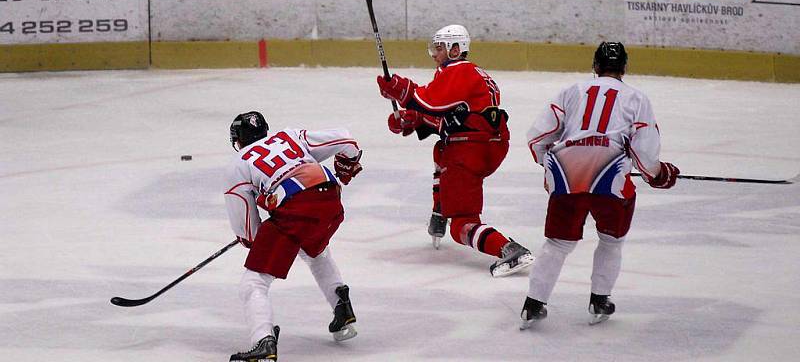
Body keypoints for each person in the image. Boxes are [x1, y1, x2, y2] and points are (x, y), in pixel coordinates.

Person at [519, 42, 679, 328]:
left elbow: (537, 138)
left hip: (567, 171)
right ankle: (600, 299)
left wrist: (550, 167)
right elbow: (644, 153)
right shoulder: (637, 98)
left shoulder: (571, 91)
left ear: (595, 66)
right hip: (611, 175)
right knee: (611, 240)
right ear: (624, 68)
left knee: (557, 243)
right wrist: (658, 174)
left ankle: (533, 305)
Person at [376, 24, 534, 277]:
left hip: (469, 148)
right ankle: (440, 211)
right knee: (441, 150)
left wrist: (401, 89)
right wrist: (413, 119)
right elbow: (452, 115)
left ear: (456, 49)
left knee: (462, 223)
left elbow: (432, 101)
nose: (435, 54)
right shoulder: (474, 73)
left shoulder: (460, 70)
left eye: (440, 48)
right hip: (485, 143)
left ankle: (509, 249)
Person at [223, 111, 364, 361]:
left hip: (297, 210)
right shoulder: (289, 136)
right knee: (315, 250)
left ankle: (263, 341)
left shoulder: (239, 163)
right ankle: (341, 307)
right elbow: (346, 139)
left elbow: (247, 229)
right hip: (331, 200)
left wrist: (255, 240)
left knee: (254, 282)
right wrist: (347, 165)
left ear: (239, 140)